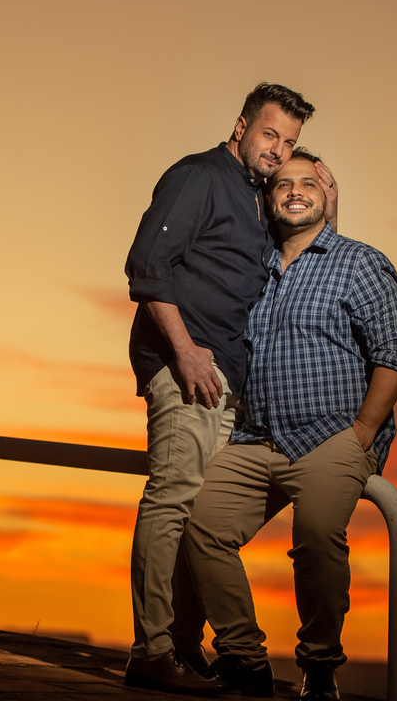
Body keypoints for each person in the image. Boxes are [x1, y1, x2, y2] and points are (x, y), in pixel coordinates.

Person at [180, 150, 397, 700]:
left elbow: (396, 354)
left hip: (330, 436)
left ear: (326, 194)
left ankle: (319, 669)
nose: (294, 191)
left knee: (315, 537)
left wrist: (362, 432)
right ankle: (244, 658)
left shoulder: (359, 263)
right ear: (267, 199)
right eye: (282, 184)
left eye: (308, 183)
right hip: (254, 437)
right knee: (203, 528)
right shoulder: (254, 270)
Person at [122, 83, 331, 694]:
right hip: (185, 364)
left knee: (198, 513)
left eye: (289, 141)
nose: (278, 150)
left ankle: (183, 648)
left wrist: (329, 198)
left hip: (227, 381)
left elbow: (303, 247)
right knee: (173, 497)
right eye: (270, 135)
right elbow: (146, 267)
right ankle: (151, 651)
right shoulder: (199, 176)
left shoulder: (258, 199)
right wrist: (184, 353)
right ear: (240, 127)